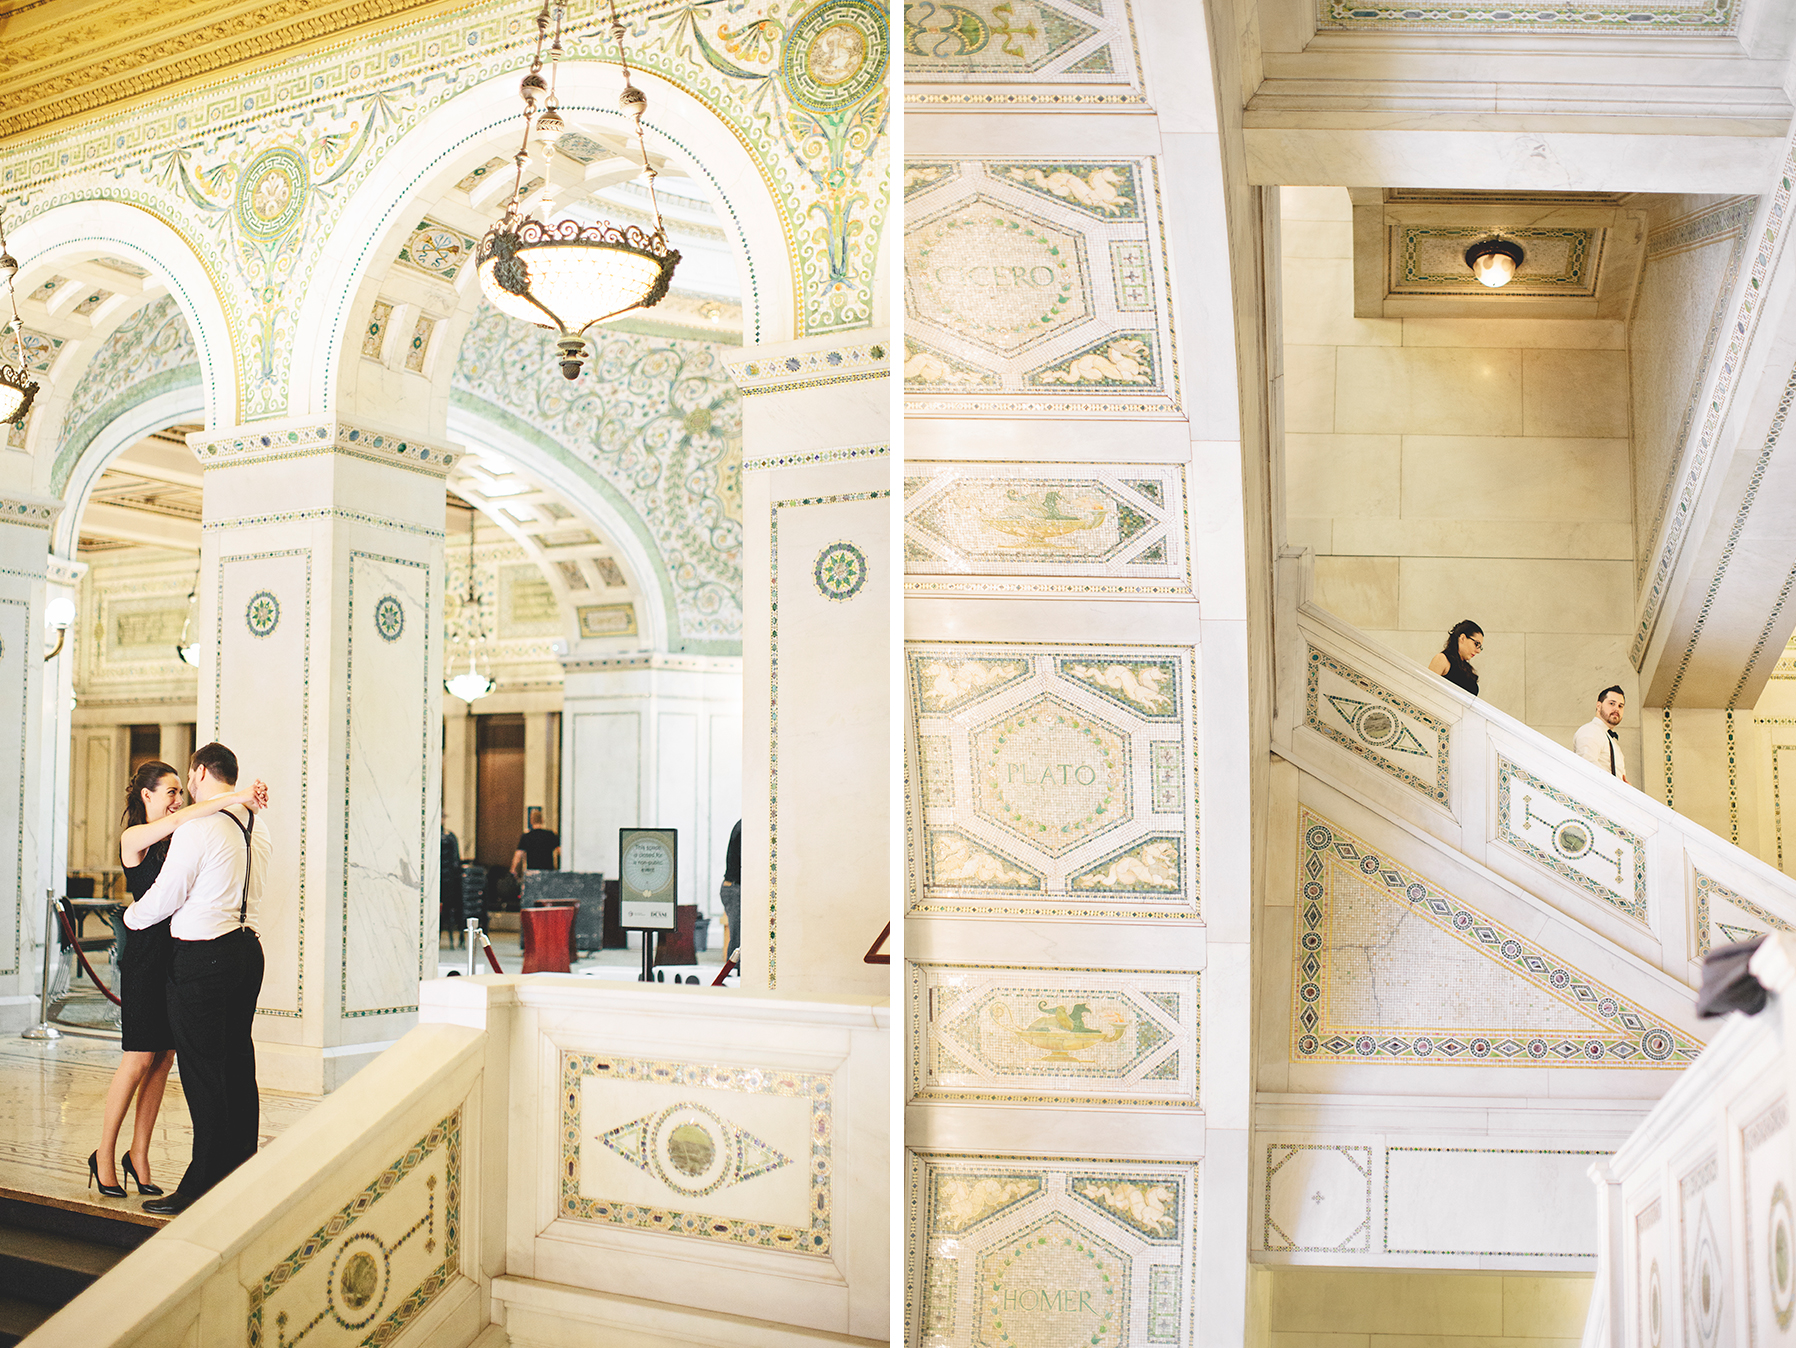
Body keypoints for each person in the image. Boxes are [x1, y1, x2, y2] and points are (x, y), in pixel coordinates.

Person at [89, 762, 265, 1198]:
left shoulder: (183, 834)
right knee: (137, 1060)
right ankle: (103, 1154)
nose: (177, 800)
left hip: (176, 957)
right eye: (169, 791)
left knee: (164, 1060)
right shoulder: (135, 838)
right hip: (144, 959)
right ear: (146, 795)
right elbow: (182, 820)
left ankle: (139, 1155)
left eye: (179, 792)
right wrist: (237, 796)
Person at [1573, 685, 1629, 784]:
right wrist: (1616, 786)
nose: (1616, 709)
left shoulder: (1609, 738)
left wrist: (1624, 786)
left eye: (1620, 706)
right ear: (1598, 706)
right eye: (1612, 703)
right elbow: (1586, 765)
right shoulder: (1591, 730)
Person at [1427, 620, 1484, 696]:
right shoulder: (1442, 659)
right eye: (1476, 644)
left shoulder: (1466, 668)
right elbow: (1426, 691)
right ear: (1462, 638)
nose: (1478, 651)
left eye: (1480, 647)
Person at [511, 806, 560, 879]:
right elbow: (560, 851)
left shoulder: (526, 837)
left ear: (531, 822)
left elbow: (518, 855)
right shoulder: (550, 835)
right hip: (548, 871)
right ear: (542, 820)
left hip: (532, 872)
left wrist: (513, 869)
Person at [720, 819, 742, 965]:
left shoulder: (744, 825)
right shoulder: (745, 827)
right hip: (735, 889)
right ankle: (734, 973)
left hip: (734, 888)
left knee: (739, 938)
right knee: (738, 940)